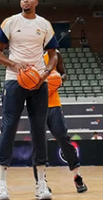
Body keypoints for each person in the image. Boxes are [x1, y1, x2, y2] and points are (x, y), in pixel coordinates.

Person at [0, 0, 59, 200]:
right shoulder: (10, 22)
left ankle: (41, 184)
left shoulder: (45, 24)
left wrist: (47, 72)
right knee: (8, 127)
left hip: (39, 80)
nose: (25, 0)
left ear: (36, 2)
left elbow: (54, 54)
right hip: (14, 80)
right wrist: (14, 63)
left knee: (39, 129)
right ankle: (1, 184)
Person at [38, 52, 87, 193]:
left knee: (63, 139)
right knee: (39, 143)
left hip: (54, 106)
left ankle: (77, 176)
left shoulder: (54, 55)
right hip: (37, 106)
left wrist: (57, 81)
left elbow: (64, 74)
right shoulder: (29, 55)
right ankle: (41, 181)